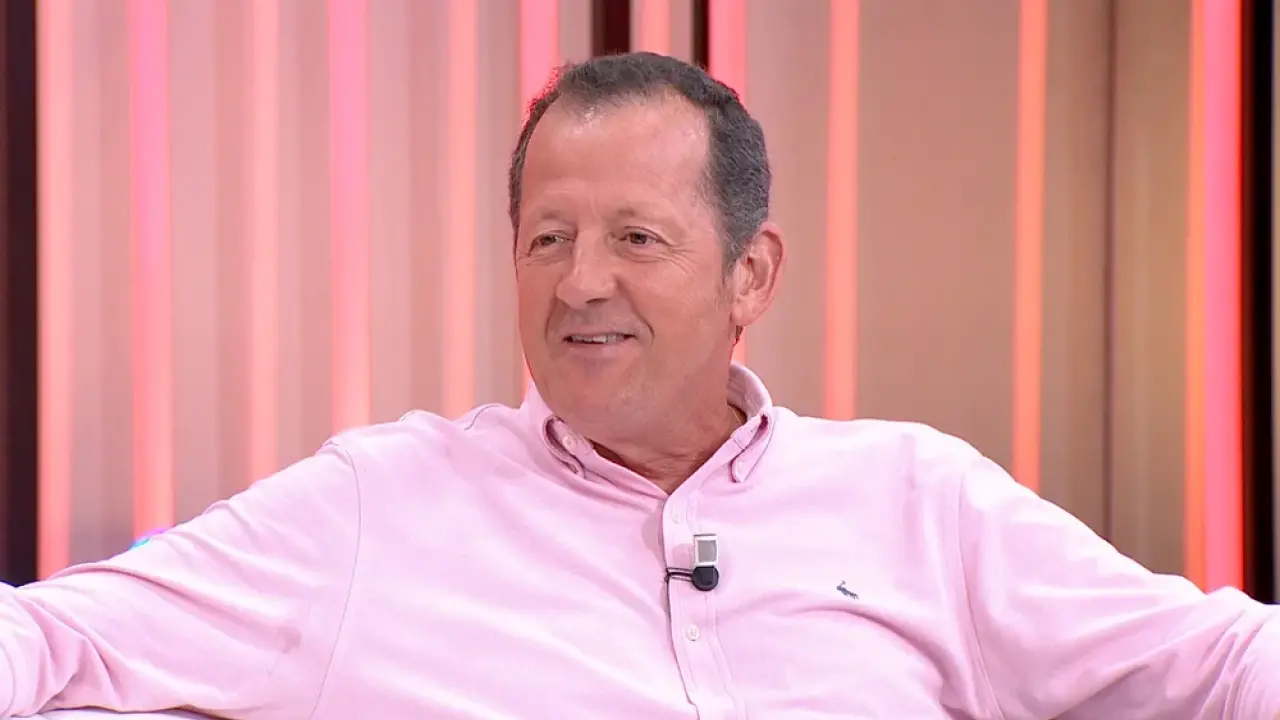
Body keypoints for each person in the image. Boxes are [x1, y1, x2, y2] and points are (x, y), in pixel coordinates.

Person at [0, 51, 1275, 720]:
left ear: (749, 274)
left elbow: (1218, 663)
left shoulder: (916, 497)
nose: (579, 284)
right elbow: (54, 638)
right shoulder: (374, 507)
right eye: (546, 239)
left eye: (636, 239)